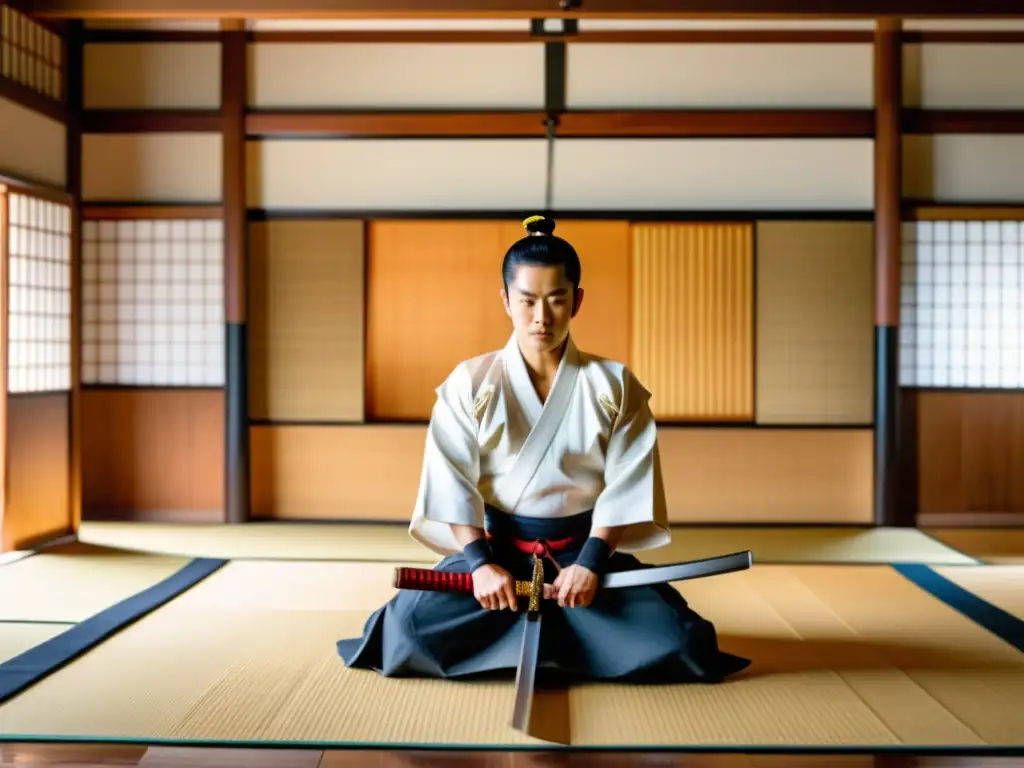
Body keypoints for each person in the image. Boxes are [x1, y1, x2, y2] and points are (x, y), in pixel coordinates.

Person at [337, 215, 750, 683]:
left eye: (556, 299)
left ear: (577, 300)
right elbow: (451, 482)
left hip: (584, 557)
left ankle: (560, 626)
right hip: (497, 560)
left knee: (680, 641)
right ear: (505, 300)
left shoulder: (614, 385)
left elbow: (627, 485)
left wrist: (591, 563)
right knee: (408, 632)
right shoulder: (470, 383)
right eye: (528, 300)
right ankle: (568, 636)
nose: (542, 316)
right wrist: (480, 566)